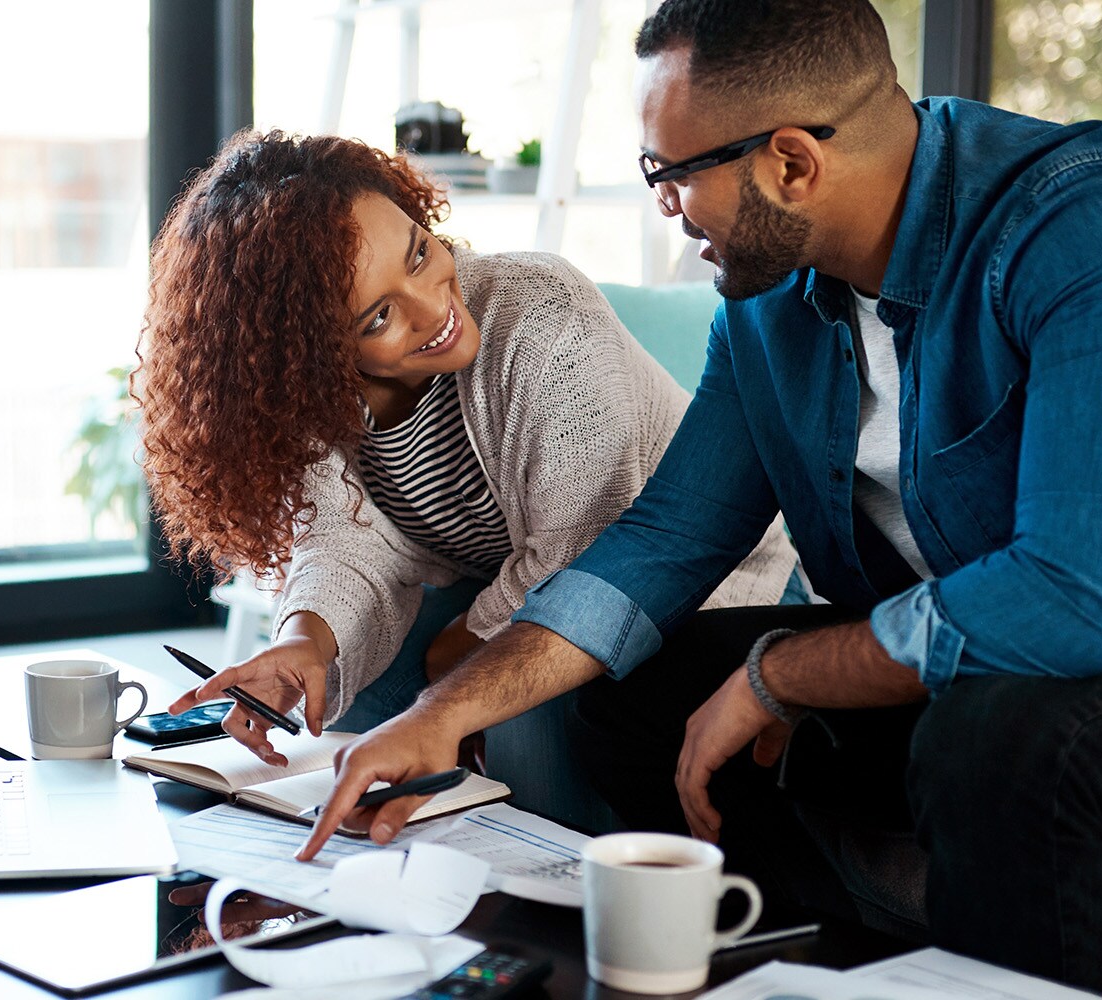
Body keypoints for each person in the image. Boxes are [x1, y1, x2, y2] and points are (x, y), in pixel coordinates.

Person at [254, 0, 1102, 988]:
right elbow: (664, 541)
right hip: (958, 678)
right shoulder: (769, 305)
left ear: (791, 161)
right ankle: (778, 967)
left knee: (997, 735)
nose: (660, 203)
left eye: (669, 172)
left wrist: (783, 672)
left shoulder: (1091, 224)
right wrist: (444, 711)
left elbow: (1079, 601)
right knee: (629, 684)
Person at [135, 130, 799, 771]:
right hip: (517, 582)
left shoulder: (543, 316)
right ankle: (410, 838)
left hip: (704, 583)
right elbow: (348, 543)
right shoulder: (323, 403)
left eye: (419, 254)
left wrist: (449, 672)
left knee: (528, 716)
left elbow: (583, 560)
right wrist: (301, 645)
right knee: (349, 685)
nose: (430, 308)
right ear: (315, 361)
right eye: (378, 318)